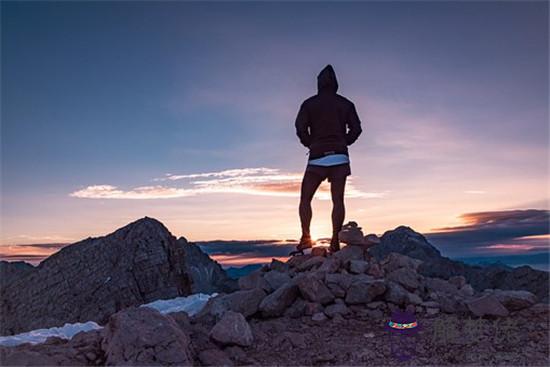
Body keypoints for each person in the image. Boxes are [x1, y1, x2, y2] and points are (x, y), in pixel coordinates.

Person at [294, 64, 363, 253]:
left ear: (319, 83)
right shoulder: (346, 104)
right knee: (338, 200)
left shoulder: (309, 104)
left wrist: (311, 144)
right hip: (339, 157)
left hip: (317, 157)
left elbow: (300, 128)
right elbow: (356, 129)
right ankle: (335, 240)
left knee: (305, 199)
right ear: (336, 84)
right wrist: (343, 143)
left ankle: (306, 238)